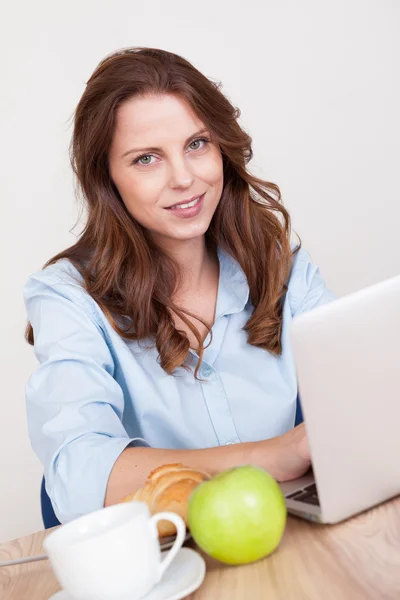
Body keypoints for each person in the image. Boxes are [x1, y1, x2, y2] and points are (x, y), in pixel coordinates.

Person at [24, 47, 335, 524]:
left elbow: (354, 396)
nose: (185, 179)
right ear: (106, 178)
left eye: (197, 144)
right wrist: (274, 456)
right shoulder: (68, 298)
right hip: (163, 565)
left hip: (287, 545)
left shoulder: (280, 264)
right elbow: (80, 472)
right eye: (146, 158)